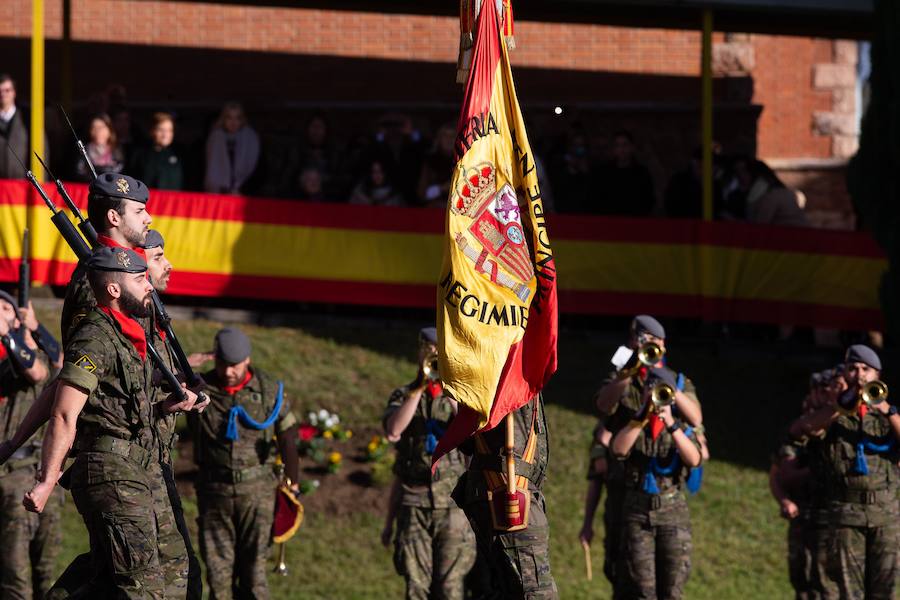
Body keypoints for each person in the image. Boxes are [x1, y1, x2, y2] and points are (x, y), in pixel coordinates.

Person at [22, 246, 201, 597]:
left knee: (111, 580)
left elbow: (121, 407)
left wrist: (167, 406)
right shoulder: (94, 337)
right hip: (110, 471)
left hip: (135, 467)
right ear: (114, 289)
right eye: (139, 279)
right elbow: (64, 412)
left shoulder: (129, 336)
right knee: (143, 588)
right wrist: (46, 480)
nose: (148, 285)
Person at [589, 315, 706, 598]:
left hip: (669, 499)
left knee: (672, 587)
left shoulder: (677, 381)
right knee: (633, 583)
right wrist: (629, 373)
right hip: (629, 489)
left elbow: (696, 418)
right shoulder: (622, 378)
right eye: (640, 340)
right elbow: (603, 406)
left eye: (653, 342)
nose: (646, 345)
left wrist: (670, 391)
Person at [188, 327, 300, 600]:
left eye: (235, 365)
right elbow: (154, 382)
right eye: (223, 363)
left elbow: (287, 437)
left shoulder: (269, 389)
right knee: (218, 576)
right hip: (215, 492)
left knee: (254, 576)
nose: (228, 372)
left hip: (257, 493)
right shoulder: (196, 387)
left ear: (247, 359)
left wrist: (293, 482)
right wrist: (189, 363)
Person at [789, 345, 900, 599]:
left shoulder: (888, 416)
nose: (859, 374)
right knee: (848, 593)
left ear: (877, 376)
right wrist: (839, 407)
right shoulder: (831, 414)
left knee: (885, 591)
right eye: (853, 368)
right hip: (844, 518)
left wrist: (888, 410)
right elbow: (804, 429)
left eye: (866, 369)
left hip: (885, 517)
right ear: (846, 374)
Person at [382, 327, 476, 600]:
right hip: (414, 502)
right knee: (416, 587)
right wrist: (419, 387)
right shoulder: (404, 395)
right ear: (420, 352)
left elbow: (473, 435)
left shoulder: (463, 396)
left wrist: (451, 392)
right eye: (428, 351)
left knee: (451, 589)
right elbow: (393, 431)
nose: (433, 357)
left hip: (453, 505)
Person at [142, 229, 204, 600]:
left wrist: (182, 387)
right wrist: (165, 404)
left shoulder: (153, 320)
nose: (169, 265)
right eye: (158, 257)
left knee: (180, 572)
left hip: (155, 460)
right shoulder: (122, 324)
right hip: (133, 467)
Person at [609, 366, 703, 600]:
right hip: (637, 512)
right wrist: (641, 414)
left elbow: (694, 459)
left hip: (673, 513)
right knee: (642, 590)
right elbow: (618, 450)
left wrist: (670, 423)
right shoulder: (634, 422)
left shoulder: (680, 425)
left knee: (672, 590)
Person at [454, 393, 558, 598]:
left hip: (513, 489)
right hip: (506, 491)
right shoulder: (504, 364)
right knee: (536, 593)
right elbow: (466, 438)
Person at [0, 291, 60, 600]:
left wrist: (18, 331)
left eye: (5, 307)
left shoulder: (25, 358)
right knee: (12, 574)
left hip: (27, 472)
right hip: (7, 474)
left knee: (44, 570)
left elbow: (39, 370)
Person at [770, 368, 844, 600]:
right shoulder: (800, 428)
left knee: (829, 587)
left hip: (835, 518)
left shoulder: (844, 426)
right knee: (803, 585)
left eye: (829, 389)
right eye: (820, 390)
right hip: (804, 516)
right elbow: (781, 473)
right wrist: (784, 499)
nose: (823, 395)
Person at [204, 101, 260, 195]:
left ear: (242, 120)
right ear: (223, 119)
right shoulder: (215, 138)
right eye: (229, 117)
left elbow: (256, 170)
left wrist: (241, 189)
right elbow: (211, 167)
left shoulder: (250, 139)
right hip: (219, 192)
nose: (233, 122)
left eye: (237, 118)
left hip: (245, 194)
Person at [595, 131, 655, 217]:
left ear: (632, 147)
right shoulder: (604, 173)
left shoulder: (642, 173)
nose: (621, 149)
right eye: (618, 145)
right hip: (609, 220)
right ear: (614, 149)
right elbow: (598, 199)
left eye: (625, 145)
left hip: (634, 220)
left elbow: (648, 200)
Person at [131, 112, 184, 190]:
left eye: (169, 130)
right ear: (152, 131)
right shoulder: (140, 154)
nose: (165, 135)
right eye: (161, 130)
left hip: (173, 201)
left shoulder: (180, 153)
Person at [0, 74, 31, 180]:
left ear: (14, 93)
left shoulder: (27, 120)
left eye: (7, 90)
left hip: (21, 186)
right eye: (0, 91)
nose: (3, 94)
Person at [416, 124, 456, 208]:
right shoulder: (430, 161)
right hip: (434, 209)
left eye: (452, 136)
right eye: (445, 136)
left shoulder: (462, 161)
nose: (449, 139)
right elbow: (422, 194)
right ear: (439, 139)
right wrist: (441, 189)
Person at [75, 114, 124, 181]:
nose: (98, 132)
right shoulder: (84, 150)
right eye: (94, 128)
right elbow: (80, 171)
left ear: (109, 129)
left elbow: (119, 169)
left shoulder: (116, 150)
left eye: (101, 127)